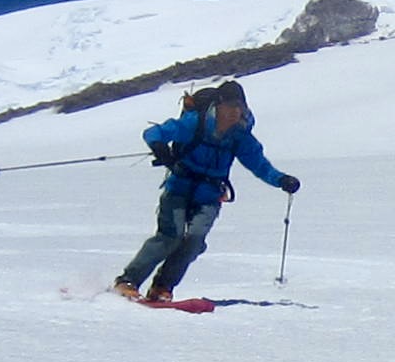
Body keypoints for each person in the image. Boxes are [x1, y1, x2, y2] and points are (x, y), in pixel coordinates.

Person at [120, 80, 297, 302]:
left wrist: (281, 180)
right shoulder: (195, 123)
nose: (235, 112)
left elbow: (259, 164)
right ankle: (128, 281)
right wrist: (160, 148)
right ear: (218, 105)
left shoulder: (240, 136)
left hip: (209, 196)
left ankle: (162, 288)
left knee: (194, 240)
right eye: (230, 106)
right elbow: (153, 132)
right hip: (178, 188)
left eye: (239, 106)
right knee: (170, 237)